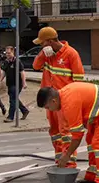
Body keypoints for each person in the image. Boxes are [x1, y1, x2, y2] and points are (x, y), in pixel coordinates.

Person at [32, 27, 84, 166]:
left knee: (66, 133)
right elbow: (36, 66)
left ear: (50, 41)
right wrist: (43, 54)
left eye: (42, 43)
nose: (41, 46)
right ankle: (59, 160)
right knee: (54, 132)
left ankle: (69, 164)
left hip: (64, 102)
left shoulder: (71, 54)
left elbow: (78, 81)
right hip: (50, 102)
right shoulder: (47, 55)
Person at [0, 47, 30, 123]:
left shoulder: (17, 61)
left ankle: (10, 117)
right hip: (9, 84)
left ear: (13, 53)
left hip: (17, 84)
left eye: (9, 53)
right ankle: (24, 111)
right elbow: (3, 72)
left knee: (12, 100)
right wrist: (0, 81)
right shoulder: (6, 62)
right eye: (6, 53)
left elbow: (22, 72)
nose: (7, 54)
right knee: (14, 99)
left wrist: (24, 83)